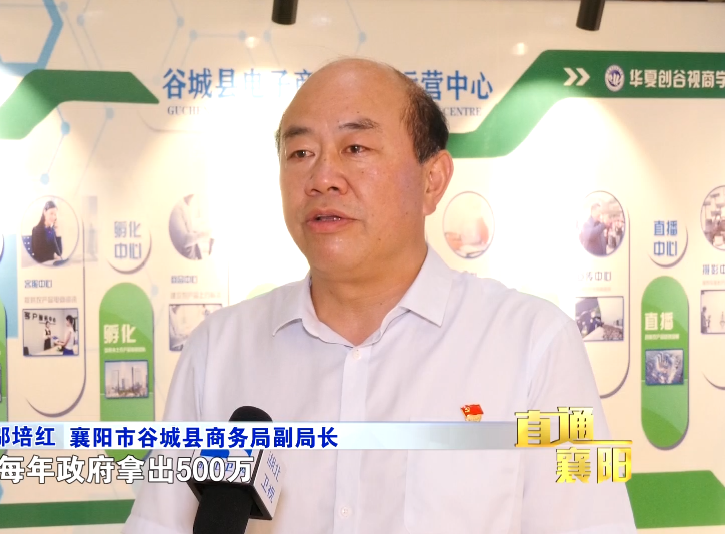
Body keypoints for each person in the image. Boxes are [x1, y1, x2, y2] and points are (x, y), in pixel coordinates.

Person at [124, 57, 635, 533]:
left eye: (356, 149)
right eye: (300, 153)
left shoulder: (532, 346)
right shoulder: (218, 351)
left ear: (433, 180)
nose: (322, 178)